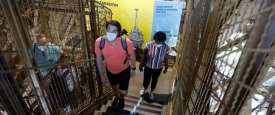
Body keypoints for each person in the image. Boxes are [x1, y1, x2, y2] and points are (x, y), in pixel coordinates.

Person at [95, 20, 136, 109]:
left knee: (123, 92)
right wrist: (102, 76)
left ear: (118, 32)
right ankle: (117, 97)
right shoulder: (99, 42)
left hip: (124, 70)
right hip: (110, 71)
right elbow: (98, 59)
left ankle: (121, 98)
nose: (111, 33)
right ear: (105, 30)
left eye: (114, 31)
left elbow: (132, 55)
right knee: (114, 88)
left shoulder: (126, 42)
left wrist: (133, 68)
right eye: (109, 30)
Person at [139, 31, 169, 100]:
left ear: (163, 41)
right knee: (146, 79)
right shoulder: (148, 45)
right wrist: (141, 65)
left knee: (155, 80)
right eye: (157, 41)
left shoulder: (166, 47)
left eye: (160, 41)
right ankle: (144, 88)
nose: (158, 42)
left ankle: (152, 91)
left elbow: (166, 58)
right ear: (155, 39)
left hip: (158, 68)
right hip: (148, 66)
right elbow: (143, 56)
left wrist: (166, 68)